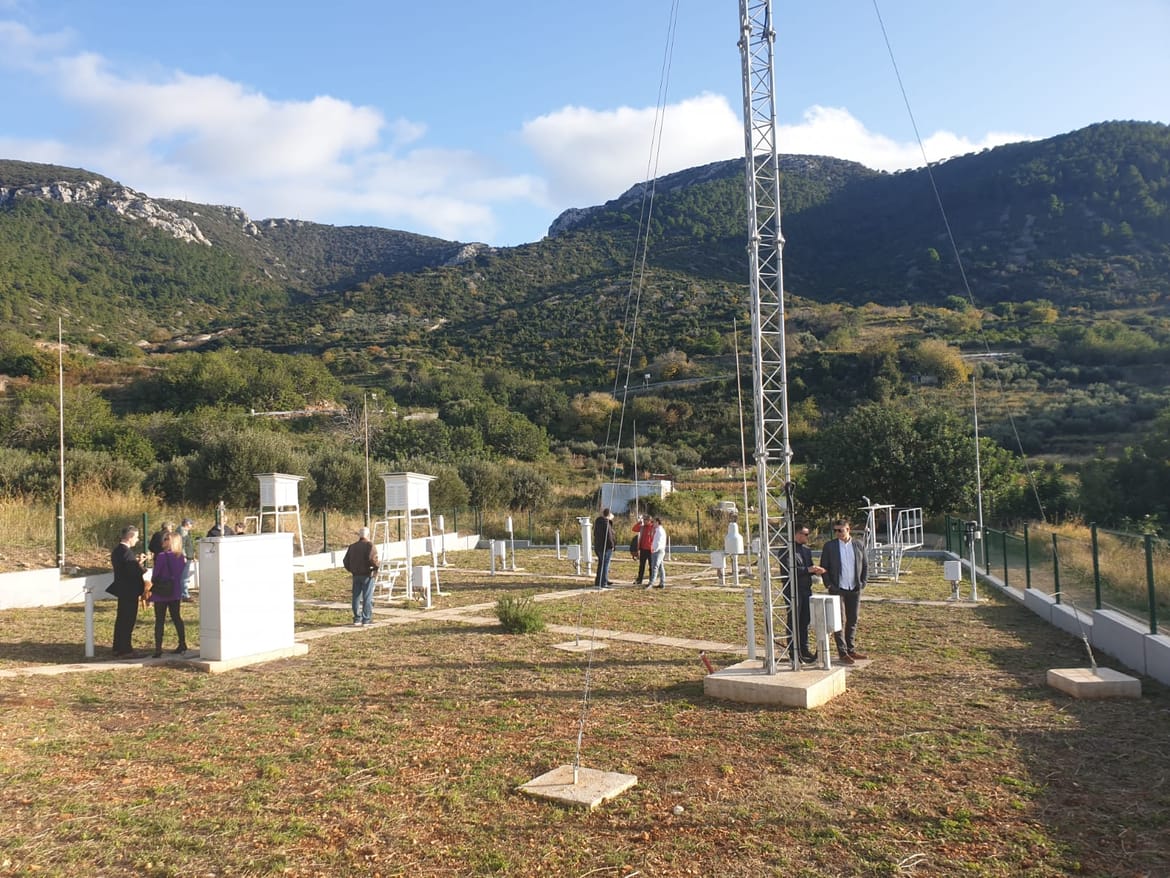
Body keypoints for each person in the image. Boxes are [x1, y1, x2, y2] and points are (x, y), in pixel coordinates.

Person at [819, 519, 868, 665]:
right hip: (837, 588)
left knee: (852, 619)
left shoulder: (858, 544)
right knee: (838, 620)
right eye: (835, 530)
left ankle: (851, 648)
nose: (838, 533)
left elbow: (864, 564)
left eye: (840, 530)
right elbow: (824, 567)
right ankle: (843, 652)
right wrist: (829, 585)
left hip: (854, 588)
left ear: (848, 529)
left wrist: (863, 582)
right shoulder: (830, 546)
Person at [782, 523, 825, 663]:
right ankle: (794, 651)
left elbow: (808, 568)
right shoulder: (786, 550)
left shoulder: (806, 550)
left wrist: (815, 570)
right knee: (794, 620)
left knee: (805, 621)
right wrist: (808, 570)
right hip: (793, 590)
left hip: (806, 589)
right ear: (796, 534)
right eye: (805, 534)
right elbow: (788, 571)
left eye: (808, 534)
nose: (807, 537)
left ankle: (804, 649)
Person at [107, 525, 146, 658]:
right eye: (136, 537)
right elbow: (131, 571)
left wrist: (137, 562)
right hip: (130, 590)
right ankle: (125, 649)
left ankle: (118, 647)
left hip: (123, 590)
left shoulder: (118, 550)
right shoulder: (126, 552)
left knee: (121, 619)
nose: (137, 539)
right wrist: (141, 568)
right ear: (130, 537)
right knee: (128, 620)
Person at [148, 532, 188, 657]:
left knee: (160, 619)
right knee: (176, 617)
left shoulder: (161, 556)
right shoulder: (181, 557)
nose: (163, 541)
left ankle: (158, 648)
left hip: (161, 591)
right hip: (175, 589)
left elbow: (155, 574)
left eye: (166, 539)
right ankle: (182, 643)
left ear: (171, 542)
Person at [343, 526, 380, 626]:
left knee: (356, 597)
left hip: (356, 575)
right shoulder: (369, 545)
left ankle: (356, 618)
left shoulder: (352, 546)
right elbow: (372, 559)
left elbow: (345, 561)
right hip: (367, 574)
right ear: (368, 535)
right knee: (367, 597)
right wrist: (376, 567)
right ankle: (366, 619)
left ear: (359, 535)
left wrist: (352, 570)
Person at [592, 507, 616, 589]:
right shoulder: (606, 523)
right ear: (609, 515)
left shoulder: (598, 522)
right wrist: (612, 546)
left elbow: (595, 534)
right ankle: (603, 582)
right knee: (605, 565)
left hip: (598, 546)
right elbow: (609, 536)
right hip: (606, 547)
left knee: (601, 564)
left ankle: (599, 581)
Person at [632, 514, 657, 585]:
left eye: (646, 520)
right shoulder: (642, 527)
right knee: (641, 565)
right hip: (643, 549)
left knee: (651, 566)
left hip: (650, 550)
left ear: (650, 520)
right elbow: (634, 529)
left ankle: (651, 580)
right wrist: (639, 522)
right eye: (644, 520)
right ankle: (639, 579)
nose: (645, 521)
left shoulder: (653, 527)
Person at [177, 518, 197, 602]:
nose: (191, 526)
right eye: (191, 524)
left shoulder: (182, 531)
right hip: (184, 557)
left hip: (186, 556)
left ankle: (182, 593)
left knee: (182, 576)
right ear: (187, 524)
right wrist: (184, 556)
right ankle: (185, 595)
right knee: (184, 577)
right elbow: (182, 545)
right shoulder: (183, 532)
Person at [648, 517, 668, 589]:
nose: (652, 524)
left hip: (658, 551)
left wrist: (654, 549)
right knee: (660, 567)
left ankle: (652, 583)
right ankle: (662, 583)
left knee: (655, 567)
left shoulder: (659, 531)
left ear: (657, 522)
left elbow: (658, 542)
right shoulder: (659, 530)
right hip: (659, 550)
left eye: (653, 522)